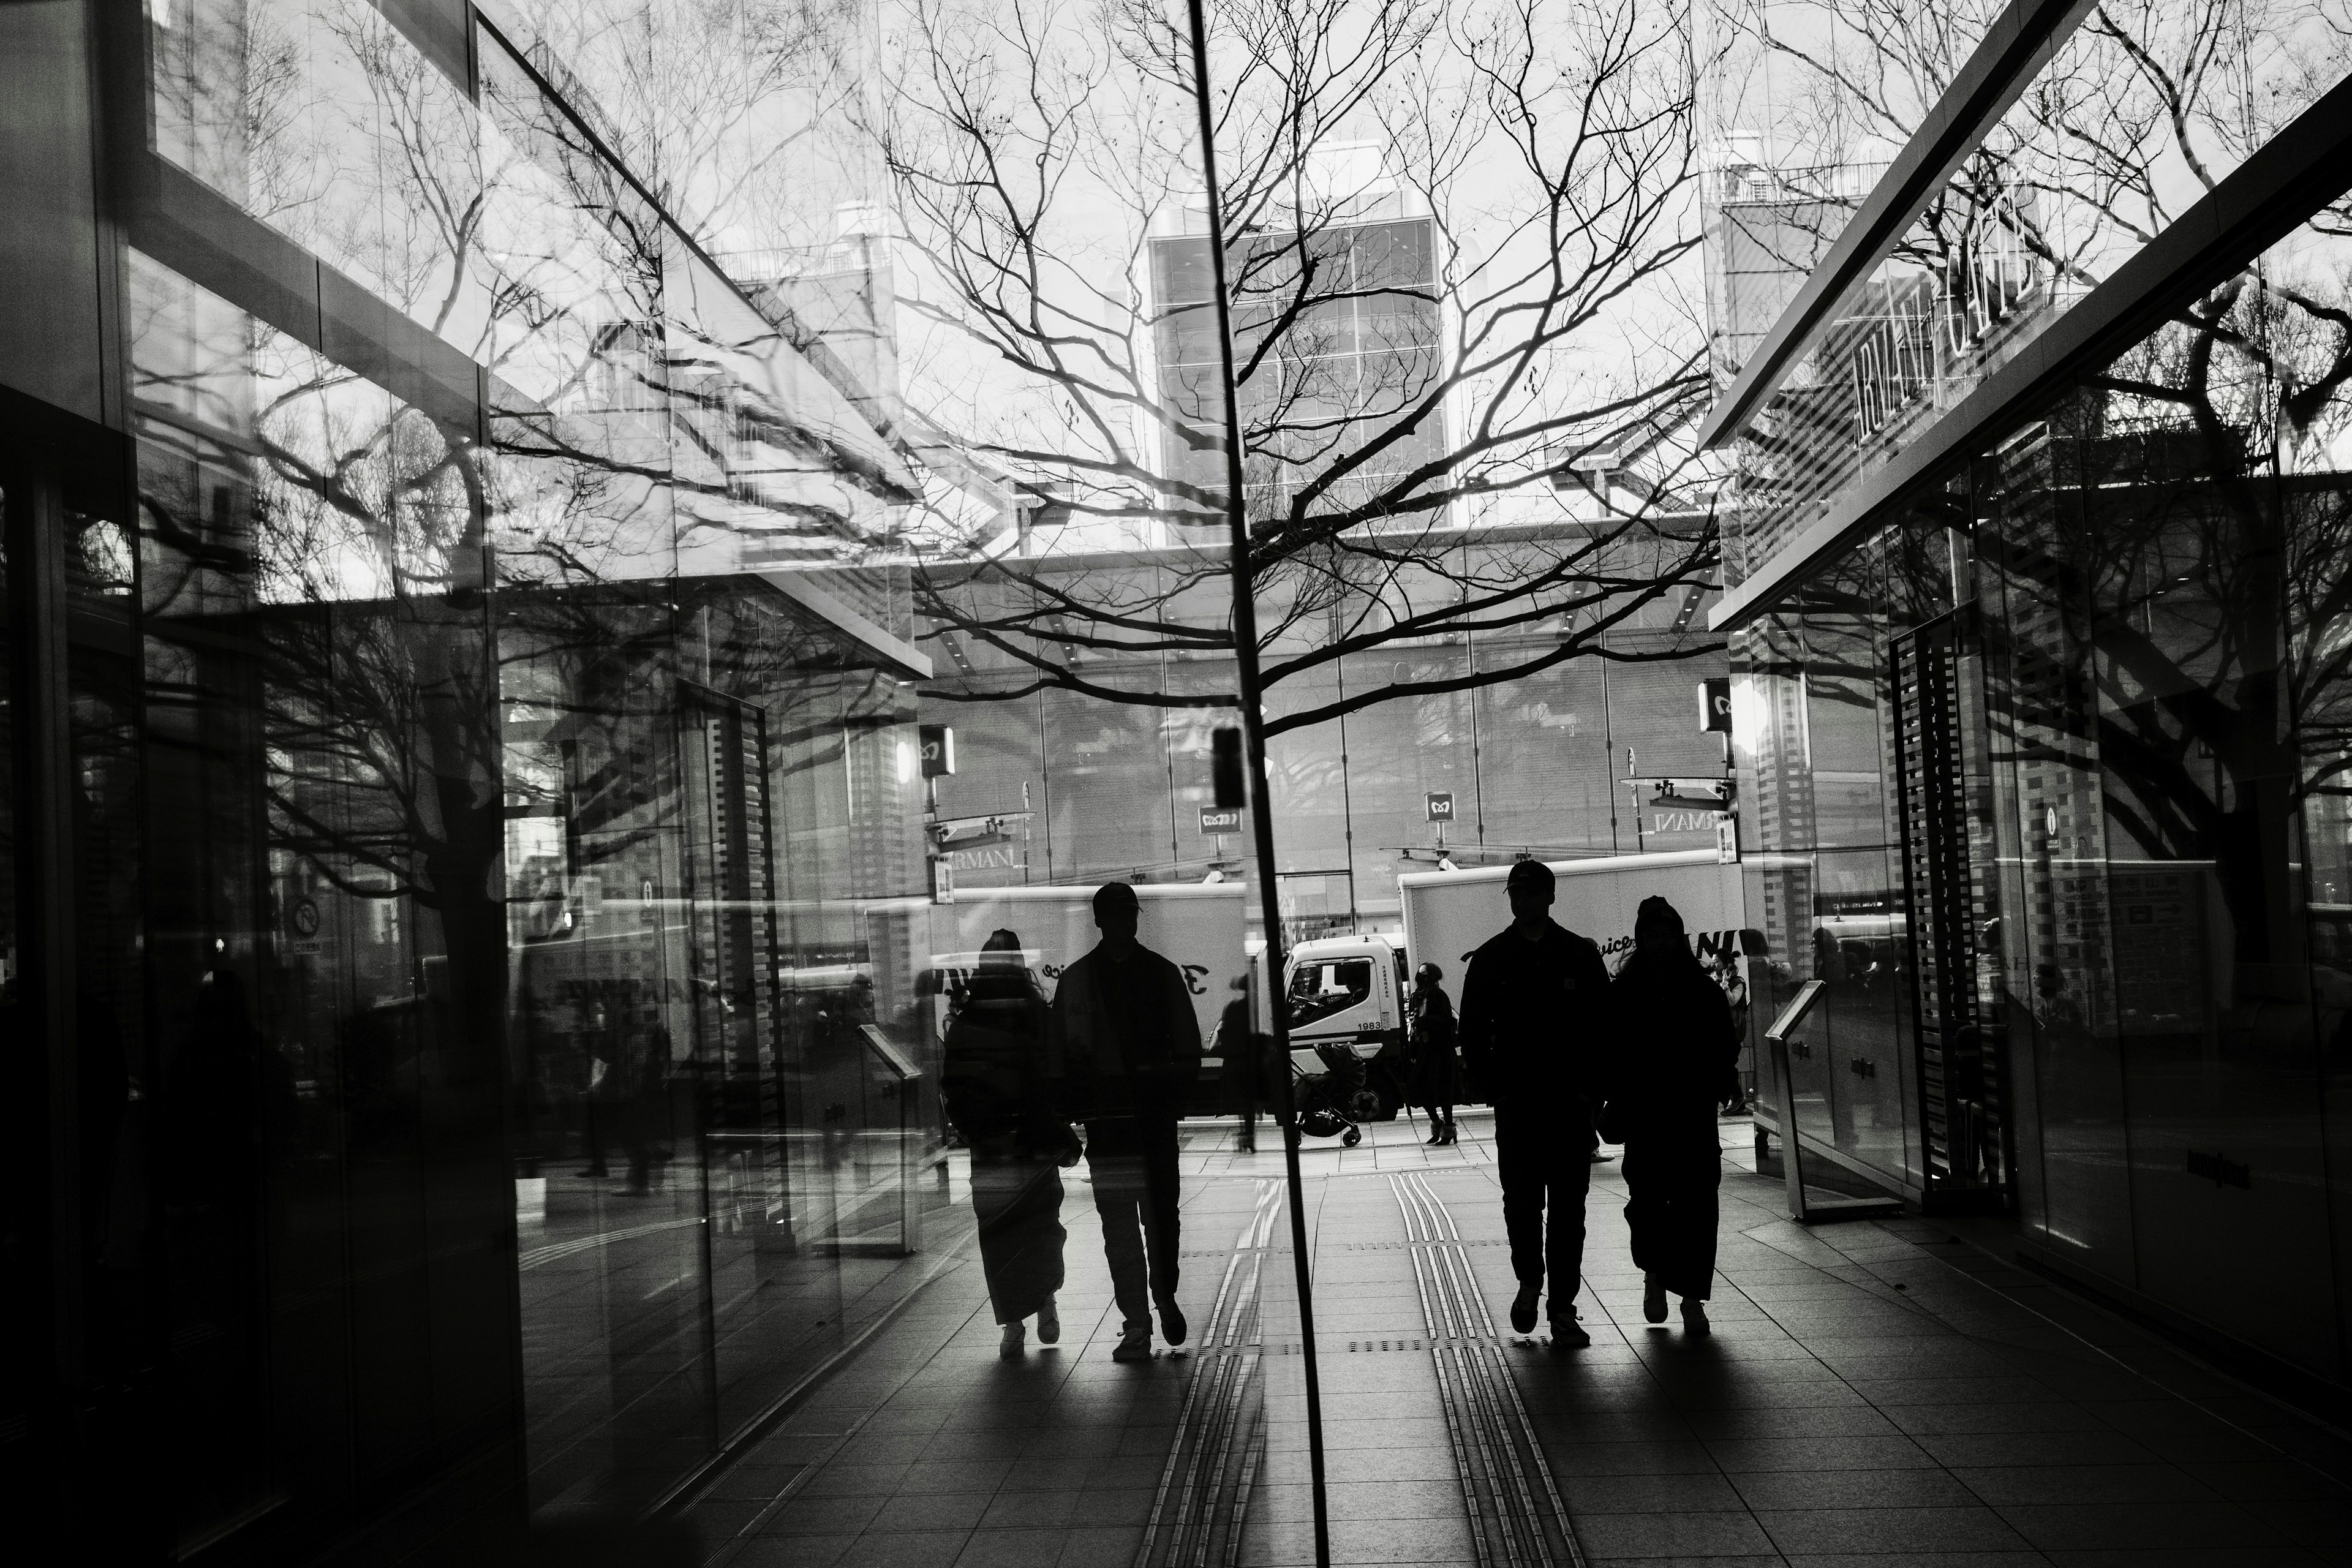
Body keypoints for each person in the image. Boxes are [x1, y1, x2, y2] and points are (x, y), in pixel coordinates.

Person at [1457, 859, 1613, 1346]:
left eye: (1528, 893)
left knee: (1568, 1211)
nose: (1520, 901)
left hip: (1568, 1108)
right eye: (1514, 894)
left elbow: (1603, 1029)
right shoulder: (1491, 959)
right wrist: (1495, 1090)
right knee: (1522, 1205)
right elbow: (1472, 1034)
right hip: (1520, 1107)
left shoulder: (1577, 955)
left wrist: (1591, 1091)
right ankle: (1530, 1280)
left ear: (1549, 897)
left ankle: (1561, 1305)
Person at [1049, 883, 1202, 1362]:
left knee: (1137, 1223)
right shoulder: (1159, 975)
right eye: (1119, 916)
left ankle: (1154, 1305)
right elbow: (1189, 1049)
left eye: (1129, 915)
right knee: (1148, 1220)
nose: (1126, 923)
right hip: (1137, 1126)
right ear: (1101, 921)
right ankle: (1146, 1311)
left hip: (1120, 1127)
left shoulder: (1078, 981)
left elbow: (1062, 1059)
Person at [1602, 897, 1741, 1335]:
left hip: (1688, 1114)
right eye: (1651, 935)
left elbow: (1724, 1047)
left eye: (1665, 934)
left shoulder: (1700, 992)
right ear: (1641, 939)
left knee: (1696, 1206)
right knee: (1650, 1203)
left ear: (1676, 938)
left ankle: (1690, 1296)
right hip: (1650, 1115)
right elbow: (1607, 1054)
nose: (1658, 942)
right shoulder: (1625, 994)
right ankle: (1657, 1274)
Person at [941, 930, 1073, 1357]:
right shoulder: (1038, 1018)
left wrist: (971, 1129)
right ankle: (1045, 1302)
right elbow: (1058, 1077)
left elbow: (954, 1090)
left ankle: (1013, 1322)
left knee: (999, 1235)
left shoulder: (965, 1027)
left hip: (991, 1149)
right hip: (1033, 1145)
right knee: (1041, 1228)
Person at [1407, 962, 1460, 1145]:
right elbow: (1413, 1022)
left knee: (1443, 1088)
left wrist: (1426, 1021)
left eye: (1426, 974)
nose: (1423, 978)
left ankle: (1448, 1129)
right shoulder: (1415, 997)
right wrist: (1413, 1046)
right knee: (1420, 1088)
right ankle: (1438, 1124)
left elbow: (1447, 1019)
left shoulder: (1438, 995)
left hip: (1441, 1049)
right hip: (1424, 1048)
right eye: (1421, 974)